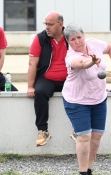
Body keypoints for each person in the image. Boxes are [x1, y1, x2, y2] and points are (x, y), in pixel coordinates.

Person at [62, 23, 111, 175]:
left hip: (98, 99)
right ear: (68, 42)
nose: (77, 41)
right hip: (77, 101)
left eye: (79, 37)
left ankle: (89, 172)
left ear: (84, 35)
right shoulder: (70, 56)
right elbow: (81, 64)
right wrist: (92, 61)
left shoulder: (94, 43)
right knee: (84, 136)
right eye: (73, 39)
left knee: (96, 137)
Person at [27, 11, 68, 147]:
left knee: (81, 91)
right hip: (47, 78)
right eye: (46, 24)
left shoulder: (70, 37)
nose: (47, 27)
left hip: (69, 78)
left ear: (60, 24)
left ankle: (79, 130)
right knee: (40, 92)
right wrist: (30, 86)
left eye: (50, 24)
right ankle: (42, 131)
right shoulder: (40, 38)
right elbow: (32, 63)